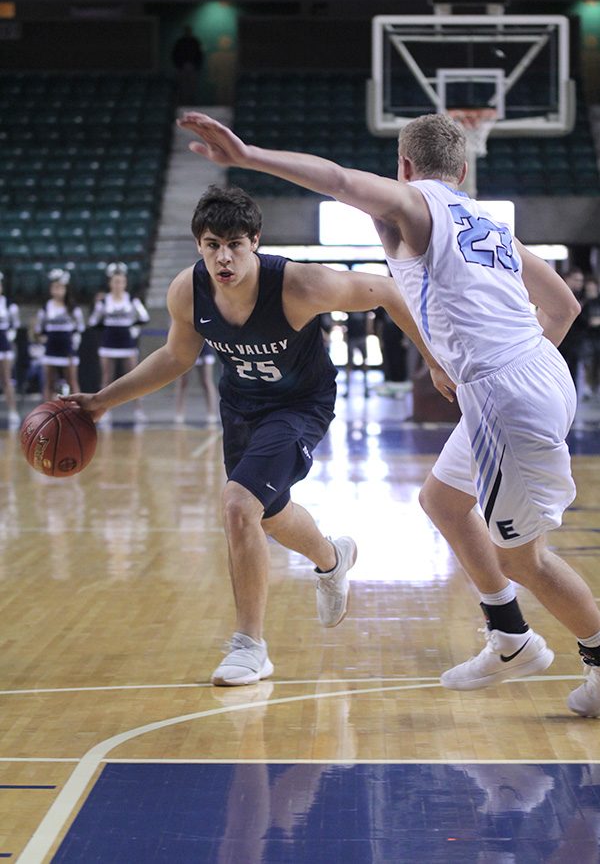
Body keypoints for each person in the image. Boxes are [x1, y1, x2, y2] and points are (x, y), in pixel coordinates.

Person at [177, 110, 600, 716]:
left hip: (506, 392)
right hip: (531, 373)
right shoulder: (486, 219)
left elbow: (340, 181)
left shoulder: (416, 205)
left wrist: (248, 157)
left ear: (403, 167)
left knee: (520, 556)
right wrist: (516, 371)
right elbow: (560, 306)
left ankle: (599, 662)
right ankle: (509, 634)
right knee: (444, 501)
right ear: (462, 168)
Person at [64, 184, 453, 687]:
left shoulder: (300, 285)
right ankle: (333, 558)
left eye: (234, 244)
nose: (223, 257)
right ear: (199, 246)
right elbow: (176, 357)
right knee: (266, 514)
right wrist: (100, 402)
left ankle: (250, 647)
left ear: (255, 242)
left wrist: (431, 357)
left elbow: (387, 291)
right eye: (211, 245)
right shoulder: (189, 290)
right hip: (242, 406)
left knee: (236, 505)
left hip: (300, 406)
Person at [88, 262, 150, 424]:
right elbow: (94, 321)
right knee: (107, 377)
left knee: (134, 377)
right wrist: (97, 306)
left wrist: (133, 326)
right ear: (110, 283)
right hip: (108, 342)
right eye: (115, 281)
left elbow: (144, 317)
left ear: (125, 283)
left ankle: (139, 409)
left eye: (121, 281)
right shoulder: (104, 301)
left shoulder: (131, 300)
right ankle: (104, 409)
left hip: (127, 343)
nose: (118, 285)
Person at [35, 269, 84, 401]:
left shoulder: (73, 308)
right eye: (54, 287)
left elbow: (80, 328)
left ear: (66, 288)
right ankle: (46, 412)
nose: (57, 290)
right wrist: (42, 341)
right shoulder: (46, 308)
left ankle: (78, 412)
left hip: (68, 348)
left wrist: (74, 344)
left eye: (60, 287)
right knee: (49, 383)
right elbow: (39, 329)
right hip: (51, 348)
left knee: (72, 382)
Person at [174, 343, 219, 424]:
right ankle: (179, 413)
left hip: (205, 349)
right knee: (183, 382)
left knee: (207, 381)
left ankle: (211, 413)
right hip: (188, 348)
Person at [557, 268, 586, 395]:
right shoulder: (556, 292)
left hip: (576, 340)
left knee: (573, 372)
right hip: (559, 339)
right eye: (576, 280)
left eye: (581, 281)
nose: (579, 283)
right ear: (567, 279)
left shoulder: (583, 296)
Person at [0, 271, 21, 428]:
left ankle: (13, 411)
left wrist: (10, 336)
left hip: (4, 346)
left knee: (7, 379)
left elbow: (15, 325)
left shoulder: (8, 304)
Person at [171, 25, 204, 105]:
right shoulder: (180, 42)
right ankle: (182, 102)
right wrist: (180, 65)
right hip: (181, 67)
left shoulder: (195, 41)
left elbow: (199, 55)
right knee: (182, 86)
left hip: (193, 67)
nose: (187, 33)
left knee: (192, 87)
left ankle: (192, 103)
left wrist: (195, 66)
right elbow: (175, 54)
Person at [581, 276, 600, 401]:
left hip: (598, 336)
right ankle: (588, 386)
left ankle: (595, 386)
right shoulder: (584, 302)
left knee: (597, 364)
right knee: (588, 362)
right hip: (587, 337)